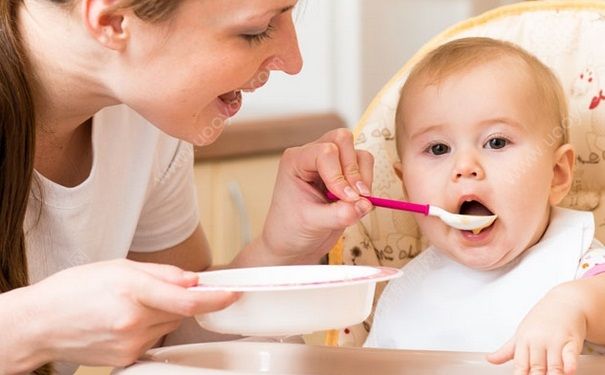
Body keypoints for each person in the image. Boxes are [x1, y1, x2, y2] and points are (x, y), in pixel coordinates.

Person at [0, 1, 375, 374]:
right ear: (113, 21)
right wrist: (33, 324)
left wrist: (280, 252)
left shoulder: (145, 118)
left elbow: (173, 338)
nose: (293, 61)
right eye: (254, 31)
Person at [364, 37, 605, 374]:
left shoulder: (577, 266)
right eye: (437, 149)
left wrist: (574, 305)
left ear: (556, 174)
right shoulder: (405, 294)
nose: (465, 166)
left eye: (496, 142)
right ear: (406, 187)